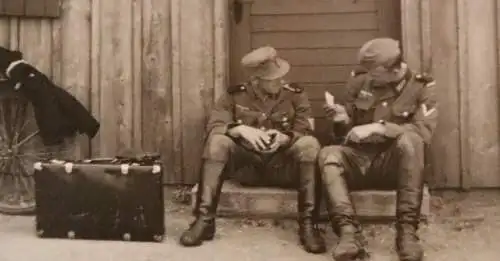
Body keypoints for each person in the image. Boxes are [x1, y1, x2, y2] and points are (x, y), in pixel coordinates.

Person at [179, 46, 325, 254]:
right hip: (248, 167)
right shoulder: (234, 96)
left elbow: (306, 128)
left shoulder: (295, 95)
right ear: (256, 79)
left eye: (281, 76)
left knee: (310, 144)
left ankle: (309, 225)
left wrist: (286, 138)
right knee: (217, 141)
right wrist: (238, 129)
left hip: (282, 167)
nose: (280, 81)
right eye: (274, 79)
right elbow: (213, 126)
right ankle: (204, 220)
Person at [318, 38, 438, 261]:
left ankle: (407, 233)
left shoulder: (421, 87)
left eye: (374, 73)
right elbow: (344, 136)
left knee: (411, 141)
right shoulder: (360, 81)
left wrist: (380, 127)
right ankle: (348, 234)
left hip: (395, 166)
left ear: (393, 71)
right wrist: (341, 120)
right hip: (360, 161)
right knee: (328, 154)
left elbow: (423, 132)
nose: (369, 77)